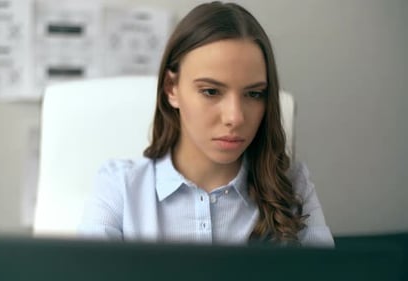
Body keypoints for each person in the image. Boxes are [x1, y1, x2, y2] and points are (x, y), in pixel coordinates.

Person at [78, 1, 334, 247]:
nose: (235, 117)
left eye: (254, 94)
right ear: (172, 89)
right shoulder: (120, 186)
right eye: (211, 91)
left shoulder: (293, 186)